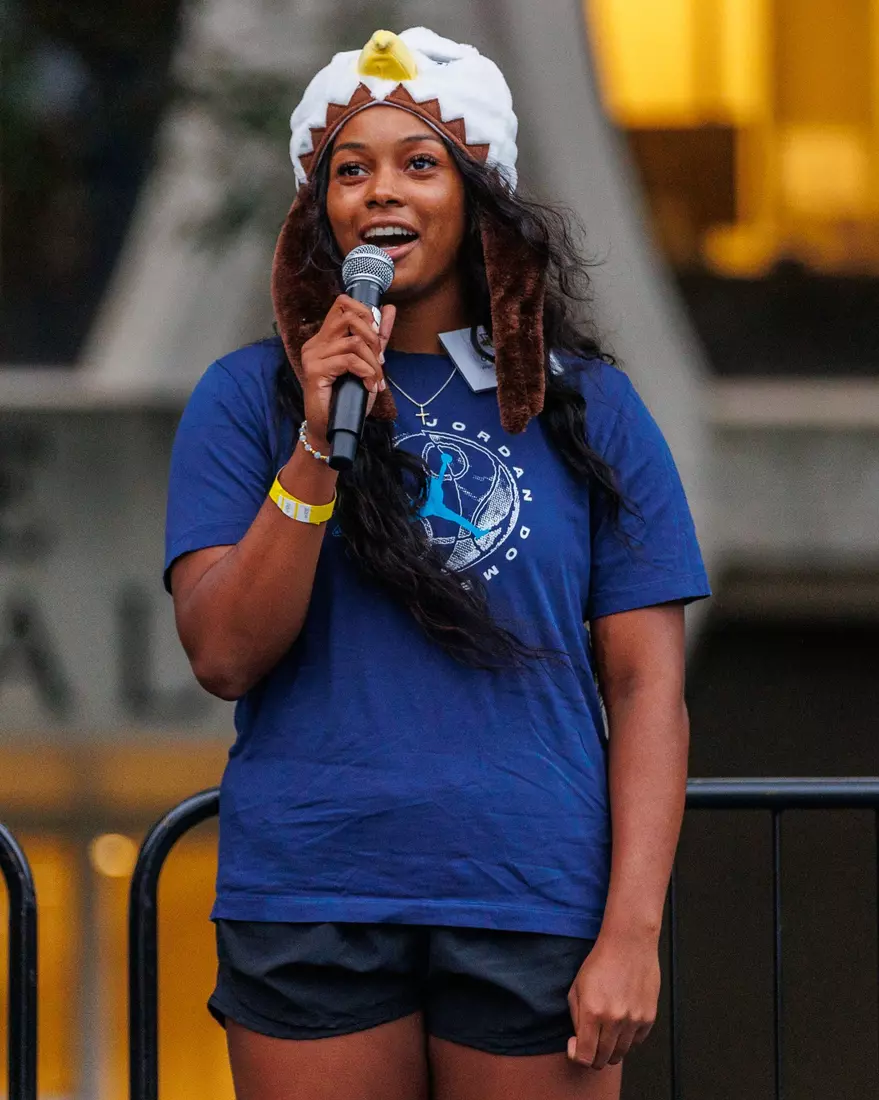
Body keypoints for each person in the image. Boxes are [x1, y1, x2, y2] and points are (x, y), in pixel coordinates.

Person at [164, 26, 711, 1100]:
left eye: (420, 163)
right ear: (319, 208)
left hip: (530, 892)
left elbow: (648, 685)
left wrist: (633, 932)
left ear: (478, 195)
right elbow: (225, 652)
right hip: (312, 888)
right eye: (350, 169)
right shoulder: (247, 401)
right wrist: (319, 441)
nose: (382, 192)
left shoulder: (591, 408)